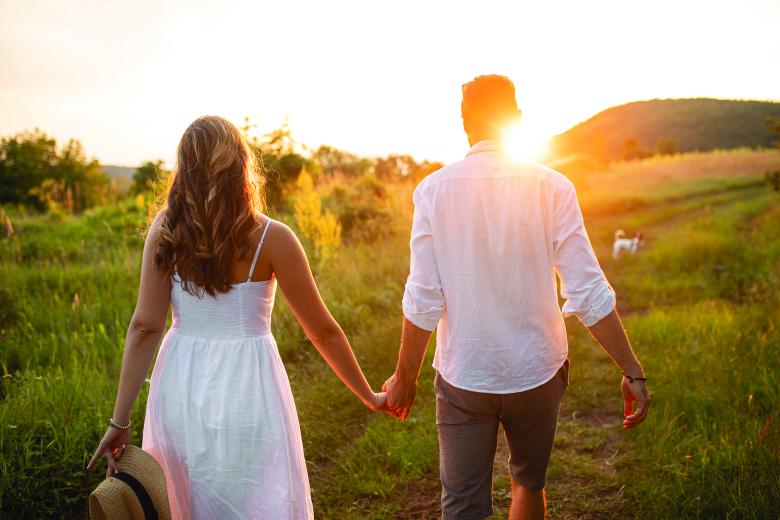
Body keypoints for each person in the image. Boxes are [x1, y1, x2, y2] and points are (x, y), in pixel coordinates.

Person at [87, 115, 387, 519]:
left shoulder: (167, 231)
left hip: (181, 386)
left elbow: (145, 326)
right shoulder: (273, 238)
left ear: (185, 168)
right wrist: (367, 394)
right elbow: (323, 331)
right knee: (251, 500)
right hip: (251, 387)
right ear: (241, 165)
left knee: (187, 502)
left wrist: (119, 419)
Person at [382, 75, 651, 520]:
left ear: (464, 122)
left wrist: (404, 376)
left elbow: (424, 297)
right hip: (538, 372)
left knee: (463, 504)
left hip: (464, 377)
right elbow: (586, 290)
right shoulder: (553, 187)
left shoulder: (432, 190)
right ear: (518, 121)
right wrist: (632, 370)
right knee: (528, 481)